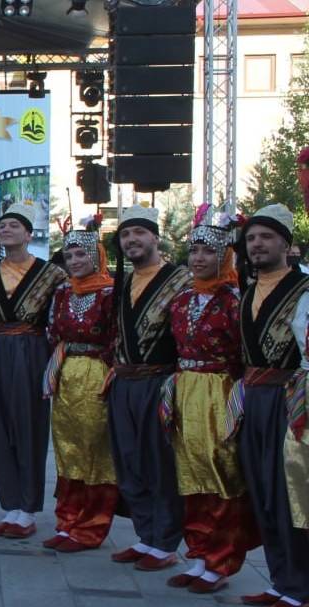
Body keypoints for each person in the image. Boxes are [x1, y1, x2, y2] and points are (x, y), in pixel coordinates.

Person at [160, 221, 259, 593]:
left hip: (220, 390)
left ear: (225, 257)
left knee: (222, 474)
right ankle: (199, 555)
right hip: (186, 389)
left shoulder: (235, 300)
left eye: (208, 252)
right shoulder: (183, 299)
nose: (199, 259)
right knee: (190, 474)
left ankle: (221, 562)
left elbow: (245, 353)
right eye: (194, 251)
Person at [229, 204, 309, 607]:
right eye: (252, 238)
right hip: (254, 396)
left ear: (286, 243)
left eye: (267, 237)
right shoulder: (247, 289)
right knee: (261, 488)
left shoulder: (304, 288)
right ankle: (282, 580)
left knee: (289, 494)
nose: (257, 244)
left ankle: (300, 585)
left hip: (292, 398)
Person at [106, 205, 192, 570]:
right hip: (124, 381)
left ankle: (165, 541)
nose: (131, 241)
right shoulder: (123, 283)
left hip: (159, 381)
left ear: (155, 236)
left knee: (159, 463)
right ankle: (146, 536)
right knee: (128, 460)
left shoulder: (181, 279)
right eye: (125, 235)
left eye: (138, 233)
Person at [0, 204, 66, 538]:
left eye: (14, 225)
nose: (7, 230)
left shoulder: (51, 274)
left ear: (29, 234)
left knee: (29, 424)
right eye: (3, 226)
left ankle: (28, 509)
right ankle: (10, 506)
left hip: (32, 350)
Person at [41, 227, 119, 553]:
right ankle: (67, 521)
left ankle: (91, 526)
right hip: (66, 374)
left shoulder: (111, 293)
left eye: (81, 254)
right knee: (67, 448)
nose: (74, 261)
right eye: (69, 255)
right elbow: (52, 332)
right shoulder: (62, 292)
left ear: (97, 256)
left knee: (95, 452)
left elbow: (117, 338)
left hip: (96, 374)